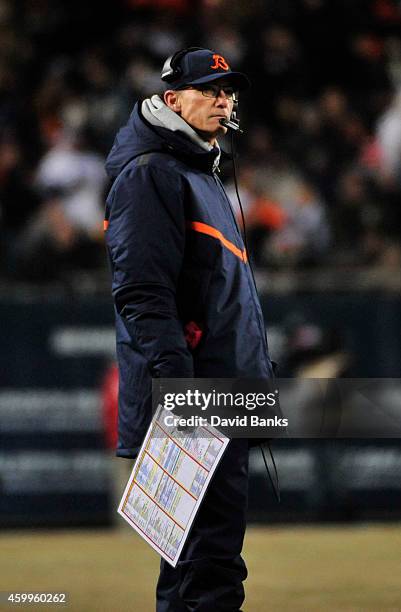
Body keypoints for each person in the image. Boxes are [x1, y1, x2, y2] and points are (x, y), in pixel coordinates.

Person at [104, 47, 275, 612]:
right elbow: (141, 292)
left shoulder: (194, 170)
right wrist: (176, 385)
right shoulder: (153, 172)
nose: (223, 100)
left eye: (226, 91)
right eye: (208, 90)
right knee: (210, 565)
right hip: (193, 395)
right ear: (172, 99)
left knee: (195, 564)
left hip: (220, 392)